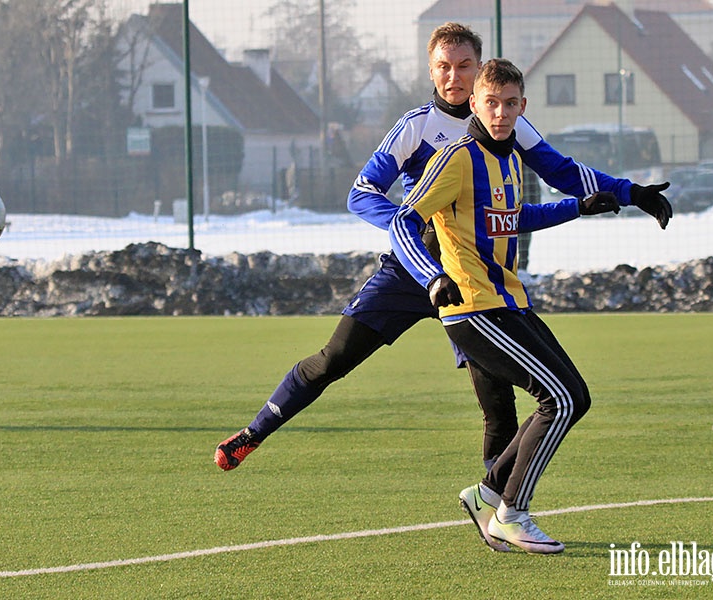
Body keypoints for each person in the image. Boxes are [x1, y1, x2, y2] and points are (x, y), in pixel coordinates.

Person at [214, 23, 671, 482]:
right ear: (431, 71)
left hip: (472, 278)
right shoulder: (416, 126)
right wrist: (415, 226)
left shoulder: (506, 123)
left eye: (465, 66)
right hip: (412, 272)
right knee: (333, 359)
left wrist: (632, 192)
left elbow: (564, 173)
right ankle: (254, 432)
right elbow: (362, 192)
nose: (455, 77)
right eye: (444, 67)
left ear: (480, 68)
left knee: (498, 401)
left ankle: (499, 502)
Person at [390, 58, 613, 554]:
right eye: (491, 102)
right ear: (474, 103)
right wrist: (432, 277)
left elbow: (513, 218)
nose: (501, 112)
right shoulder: (455, 159)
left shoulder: (509, 159)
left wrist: (579, 205)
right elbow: (403, 221)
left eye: (510, 104)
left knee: (574, 395)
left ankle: (491, 490)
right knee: (562, 399)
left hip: (508, 300)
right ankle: (510, 514)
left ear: (522, 107)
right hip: (472, 308)